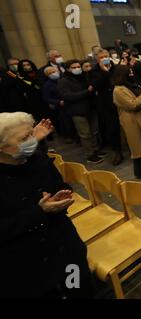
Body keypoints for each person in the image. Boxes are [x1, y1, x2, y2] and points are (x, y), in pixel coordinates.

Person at [0, 112, 94, 299]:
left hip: (67, 252)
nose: (31, 141)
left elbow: (59, 186)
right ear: (2, 147)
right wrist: (39, 212)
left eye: (31, 135)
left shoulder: (38, 159)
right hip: (28, 269)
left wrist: (61, 197)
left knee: (80, 291)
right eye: (24, 138)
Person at [112, 65, 141, 179]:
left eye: (132, 72)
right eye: (129, 72)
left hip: (140, 117)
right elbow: (132, 105)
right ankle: (140, 171)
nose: (131, 74)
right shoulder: (118, 90)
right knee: (137, 146)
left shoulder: (131, 85)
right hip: (131, 120)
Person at [58, 60, 103, 164]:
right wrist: (87, 92)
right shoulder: (64, 81)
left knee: (94, 131)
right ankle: (90, 154)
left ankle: (96, 150)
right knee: (85, 134)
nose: (77, 69)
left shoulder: (85, 76)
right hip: (78, 111)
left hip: (91, 108)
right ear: (68, 69)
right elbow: (68, 96)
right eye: (74, 67)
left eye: (78, 66)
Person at [91, 49, 123, 166]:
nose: (104, 58)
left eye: (106, 56)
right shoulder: (94, 71)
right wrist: (105, 73)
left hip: (120, 99)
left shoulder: (116, 67)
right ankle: (116, 151)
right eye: (101, 57)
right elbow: (96, 85)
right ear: (97, 59)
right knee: (112, 128)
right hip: (106, 103)